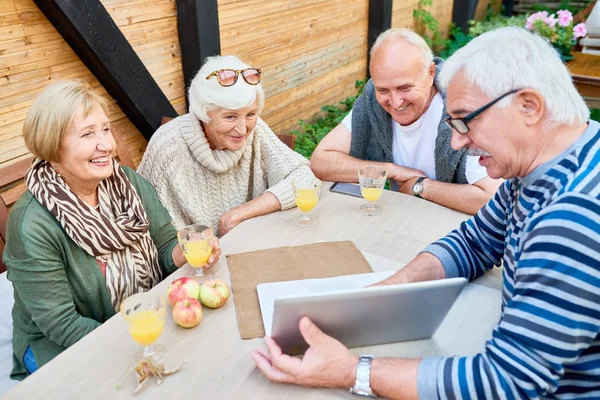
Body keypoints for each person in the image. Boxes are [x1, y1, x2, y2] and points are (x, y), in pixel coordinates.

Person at [251, 27, 600, 399]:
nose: (456, 141)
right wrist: (392, 288)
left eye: (466, 120)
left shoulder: (572, 216)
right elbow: (475, 240)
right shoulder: (544, 165)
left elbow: (504, 382)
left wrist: (351, 372)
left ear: (528, 106)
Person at [3, 81, 220, 380]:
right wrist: (142, 340)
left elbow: (165, 246)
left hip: (137, 319)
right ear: (53, 145)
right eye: (88, 134)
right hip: (62, 344)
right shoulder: (32, 225)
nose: (107, 144)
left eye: (106, 129)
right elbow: (63, 325)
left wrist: (186, 252)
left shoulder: (128, 183)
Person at [310, 28, 501, 214]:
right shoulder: (372, 102)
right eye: (383, 90)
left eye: (404, 88)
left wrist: (421, 187)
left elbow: (491, 198)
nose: (394, 102)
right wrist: (390, 170)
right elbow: (320, 161)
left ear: (431, 73)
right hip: (400, 220)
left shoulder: (463, 107)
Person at [138, 55, 315, 236]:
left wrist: (239, 213)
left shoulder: (256, 131)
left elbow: (305, 178)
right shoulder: (167, 146)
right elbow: (149, 229)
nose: (242, 129)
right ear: (204, 112)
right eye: (230, 116)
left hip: (251, 242)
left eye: (251, 114)